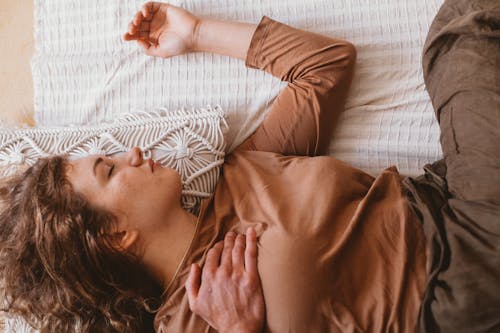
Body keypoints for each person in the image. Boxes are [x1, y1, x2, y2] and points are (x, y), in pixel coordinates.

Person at [0, 0, 499, 332]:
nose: (131, 152)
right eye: (109, 170)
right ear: (114, 236)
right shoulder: (188, 324)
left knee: (462, 26)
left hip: (447, 197)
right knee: (465, 26)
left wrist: (194, 33)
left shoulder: (242, 171)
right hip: (453, 290)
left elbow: (325, 66)